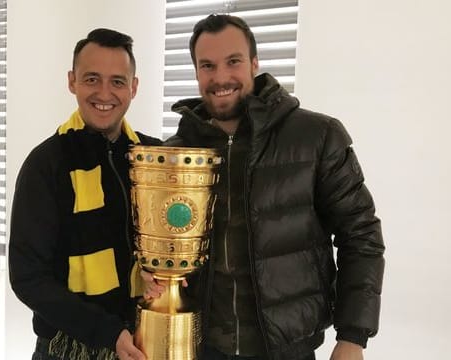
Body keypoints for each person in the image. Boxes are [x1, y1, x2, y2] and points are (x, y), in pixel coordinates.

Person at [141, 14, 385, 360]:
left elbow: (361, 235)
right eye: (207, 65)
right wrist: (148, 274)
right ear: (196, 71)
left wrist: (352, 337)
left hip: (288, 350)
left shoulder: (317, 137)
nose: (221, 77)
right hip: (202, 348)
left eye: (233, 61)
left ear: (254, 63)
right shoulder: (174, 155)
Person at [9, 28, 161, 360]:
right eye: (92, 79)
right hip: (66, 348)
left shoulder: (153, 159)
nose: (104, 93)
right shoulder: (45, 164)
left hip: (144, 341)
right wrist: (107, 332)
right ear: (72, 81)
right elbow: (27, 276)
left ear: (134, 88)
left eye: (118, 81)